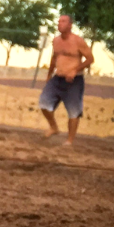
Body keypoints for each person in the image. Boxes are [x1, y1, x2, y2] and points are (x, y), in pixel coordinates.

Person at [39, 15, 95, 145]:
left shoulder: (78, 41)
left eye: (63, 21)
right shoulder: (56, 41)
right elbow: (54, 58)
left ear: (70, 25)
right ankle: (53, 127)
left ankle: (69, 140)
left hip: (74, 81)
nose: (60, 24)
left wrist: (75, 70)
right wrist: (49, 74)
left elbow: (90, 59)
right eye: (59, 21)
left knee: (73, 111)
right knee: (44, 102)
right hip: (57, 78)